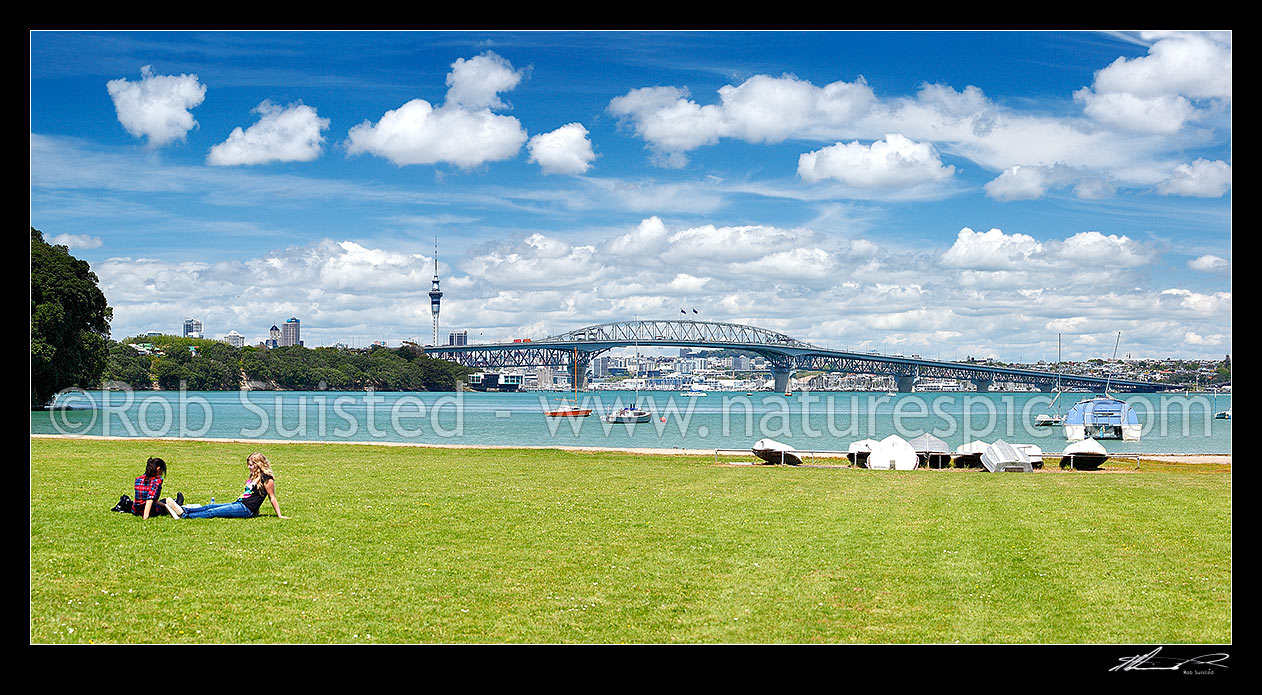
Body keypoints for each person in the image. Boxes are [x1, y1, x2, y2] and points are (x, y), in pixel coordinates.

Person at [164, 452, 289, 520]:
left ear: (258, 464)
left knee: (213, 512)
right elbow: (252, 495)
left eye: (251, 465)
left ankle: (184, 516)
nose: (249, 467)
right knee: (209, 506)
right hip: (239, 504)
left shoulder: (267, 478)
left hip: (246, 509)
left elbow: (271, 497)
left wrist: (279, 515)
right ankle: (184, 510)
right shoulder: (253, 476)